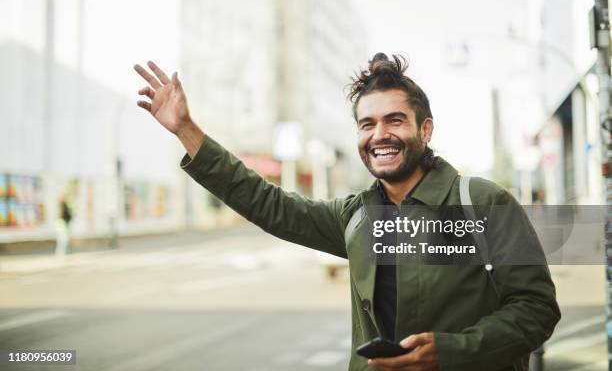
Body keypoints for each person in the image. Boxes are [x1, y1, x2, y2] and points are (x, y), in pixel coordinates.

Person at [133, 53, 560, 371]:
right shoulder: (355, 217)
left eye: (396, 120)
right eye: (367, 124)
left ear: (424, 130)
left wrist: (450, 351)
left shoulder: (481, 202)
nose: (380, 135)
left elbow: (537, 310)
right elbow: (266, 202)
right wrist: (186, 130)